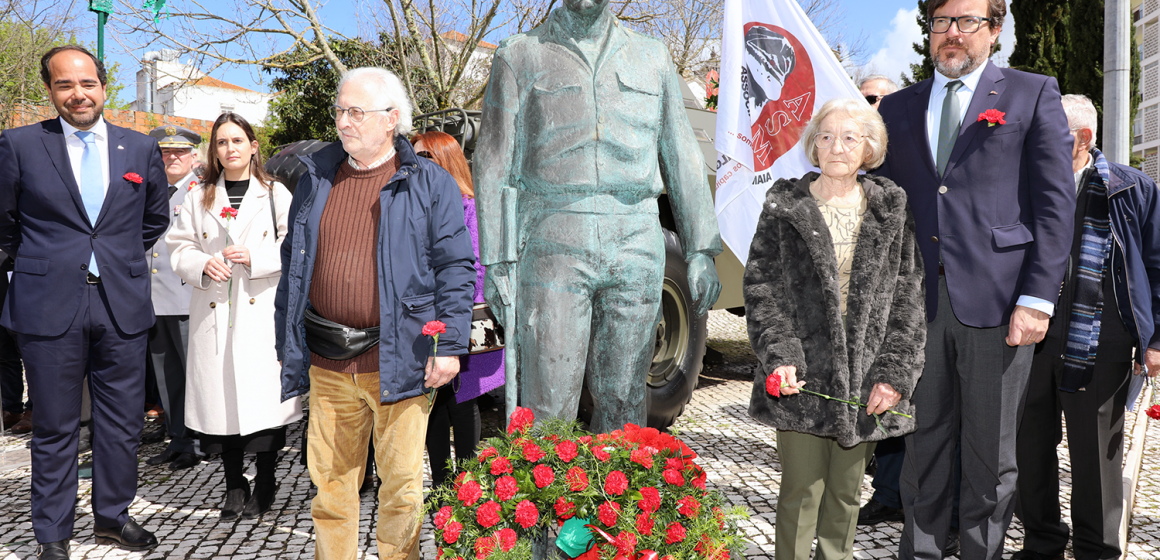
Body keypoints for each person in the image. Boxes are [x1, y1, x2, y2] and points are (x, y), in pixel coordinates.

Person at [873, 0, 1076, 558]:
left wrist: (1036, 298)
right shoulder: (896, 107)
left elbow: (1055, 208)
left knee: (991, 457)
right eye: (941, 23)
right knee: (922, 450)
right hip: (917, 307)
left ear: (994, 30)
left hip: (1001, 305)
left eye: (966, 22)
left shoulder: (1032, 93)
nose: (951, 34)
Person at [475, 0, 721, 433]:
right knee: (548, 402)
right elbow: (493, 161)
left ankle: (615, 497)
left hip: (636, 238)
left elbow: (681, 152)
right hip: (555, 235)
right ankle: (544, 499)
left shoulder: (652, 56)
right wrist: (496, 260)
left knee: (625, 401)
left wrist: (700, 248)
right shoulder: (519, 54)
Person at [274, 67, 475, 560]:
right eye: (340, 111)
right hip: (327, 362)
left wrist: (448, 345)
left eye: (355, 112)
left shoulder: (429, 183)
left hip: (400, 360)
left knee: (402, 489)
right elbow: (293, 263)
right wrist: (287, 342)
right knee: (331, 487)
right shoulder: (314, 178)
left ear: (391, 119)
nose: (343, 121)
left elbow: (456, 267)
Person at [0, 45, 169, 560]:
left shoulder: (139, 149)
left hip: (121, 304)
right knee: (54, 424)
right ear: (50, 91)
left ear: (103, 86)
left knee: (122, 422)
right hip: (48, 305)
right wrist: (45, 265)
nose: (78, 94)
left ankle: (113, 517)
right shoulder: (19, 145)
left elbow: (153, 220)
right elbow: (5, 223)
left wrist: (112, 261)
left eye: (87, 83)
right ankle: (53, 533)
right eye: (65, 85)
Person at [745, 98, 926, 560]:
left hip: (866, 381)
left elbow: (908, 298)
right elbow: (763, 287)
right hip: (802, 379)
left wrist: (894, 374)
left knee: (845, 499)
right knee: (800, 494)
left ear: (869, 147)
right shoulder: (785, 206)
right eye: (825, 136)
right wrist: (781, 357)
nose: (836, 146)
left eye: (849, 137)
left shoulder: (891, 209)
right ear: (813, 145)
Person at [1013, 94, 1160, 560]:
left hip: (1104, 346)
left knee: (1096, 458)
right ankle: (1041, 544)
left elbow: (1158, 266)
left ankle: (1097, 551)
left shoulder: (1132, 189)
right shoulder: (1022, 186)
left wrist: (1156, 339)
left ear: (1083, 138)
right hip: (1029, 343)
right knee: (1027, 448)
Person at [166, 112, 299, 520]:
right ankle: (233, 484)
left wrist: (256, 258)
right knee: (219, 403)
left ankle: (265, 479)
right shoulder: (198, 195)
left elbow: (294, 245)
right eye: (222, 142)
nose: (230, 149)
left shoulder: (276, 193)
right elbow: (178, 247)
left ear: (253, 145)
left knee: (262, 403)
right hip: (215, 311)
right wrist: (203, 263)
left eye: (237, 141)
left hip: (260, 309)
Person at [412, 130, 502, 491]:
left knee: (463, 402)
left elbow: (478, 267)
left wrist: (451, 310)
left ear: (445, 160)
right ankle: (441, 484)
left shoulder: (469, 206)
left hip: (460, 317)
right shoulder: (418, 207)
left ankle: (467, 487)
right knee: (434, 401)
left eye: (425, 156)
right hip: (425, 320)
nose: (416, 163)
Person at [142, 125, 202, 471]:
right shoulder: (155, 192)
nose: (173, 158)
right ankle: (177, 438)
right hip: (155, 299)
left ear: (194, 156)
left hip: (186, 297)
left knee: (192, 374)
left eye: (180, 152)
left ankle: (197, 440)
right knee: (167, 376)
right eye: (166, 152)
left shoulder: (200, 191)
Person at [0, 248, 31, 434]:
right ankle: (11, 408)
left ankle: (35, 408)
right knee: (3, 350)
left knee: (28, 346)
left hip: (15, 260)